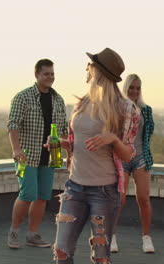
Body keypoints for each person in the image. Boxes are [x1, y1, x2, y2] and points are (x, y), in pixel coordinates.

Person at [50, 48, 138, 264]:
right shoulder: (83, 103)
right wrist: (61, 144)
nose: (86, 68)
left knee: (100, 257)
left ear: (99, 71)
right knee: (62, 251)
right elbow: (78, 142)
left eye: (90, 64)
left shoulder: (125, 108)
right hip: (75, 187)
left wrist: (114, 140)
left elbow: (127, 156)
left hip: (104, 192)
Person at [6, 59, 68, 249]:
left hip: (50, 158)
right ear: (37, 75)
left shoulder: (58, 100)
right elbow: (12, 125)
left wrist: (70, 152)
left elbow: (64, 129)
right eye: (46, 74)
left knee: (42, 196)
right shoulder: (23, 97)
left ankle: (33, 234)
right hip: (26, 156)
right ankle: (14, 232)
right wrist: (16, 150)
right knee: (27, 194)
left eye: (52, 74)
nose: (50, 77)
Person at [111, 74, 155, 253]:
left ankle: (146, 238)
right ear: (125, 88)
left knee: (143, 198)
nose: (135, 91)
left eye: (137, 88)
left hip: (140, 157)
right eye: (131, 87)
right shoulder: (117, 108)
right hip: (122, 158)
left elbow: (148, 132)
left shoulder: (146, 109)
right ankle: (111, 236)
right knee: (119, 200)